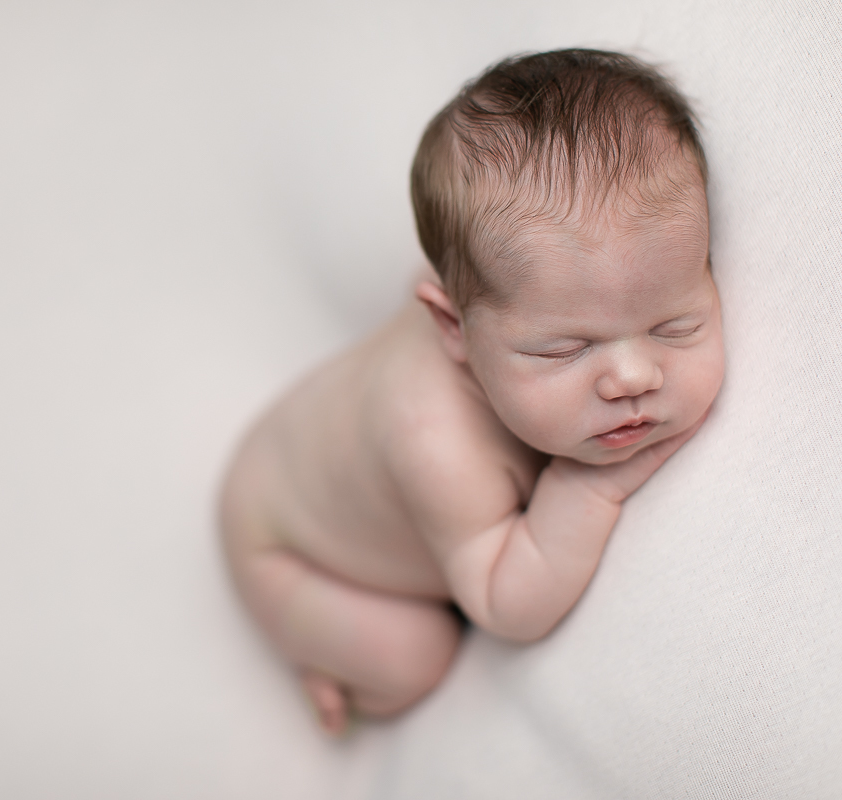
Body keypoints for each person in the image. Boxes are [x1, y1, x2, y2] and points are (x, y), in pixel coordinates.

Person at [219, 49, 725, 735]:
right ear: (453, 327)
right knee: (414, 657)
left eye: (674, 325)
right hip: (280, 535)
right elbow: (502, 603)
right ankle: (328, 671)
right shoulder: (435, 440)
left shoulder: (515, 304)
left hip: (325, 442)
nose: (634, 378)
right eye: (563, 349)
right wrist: (590, 489)